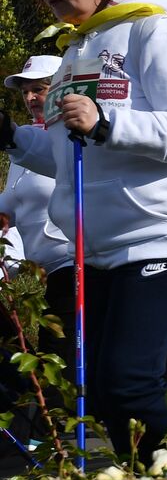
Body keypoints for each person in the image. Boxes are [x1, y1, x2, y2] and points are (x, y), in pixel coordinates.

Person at [3, 0, 167, 462]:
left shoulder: (154, 33)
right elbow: (63, 154)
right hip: (97, 250)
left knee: (129, 382)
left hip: (162, 236)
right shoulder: (75, 51)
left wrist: (109, 123)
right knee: (101, 394)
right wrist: (11, 139)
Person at [0, 55, 73, 448]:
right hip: (41, 265)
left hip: (74, 257)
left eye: (39, 88)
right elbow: (13, 200)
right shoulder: (25, 142)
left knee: (54, 349)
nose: (30, 97)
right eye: (26, 91)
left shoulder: (72, 138)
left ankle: (51, 439)